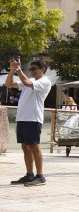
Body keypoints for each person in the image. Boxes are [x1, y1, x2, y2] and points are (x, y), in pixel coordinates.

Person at [7, 58, 53, 186]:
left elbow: (26, 83)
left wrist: (18, 69)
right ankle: (29, 175)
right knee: (25, 146)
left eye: (34, 69)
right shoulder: (31, 80)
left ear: (42, 69)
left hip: (33, 118)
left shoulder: (45, 81)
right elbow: (9, 83)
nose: (31, 71)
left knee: (34, 146)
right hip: (22, 118)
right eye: (30, 69)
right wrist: (12, 70)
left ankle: (40, 176)